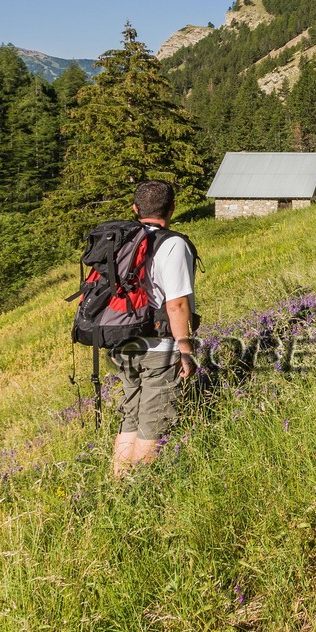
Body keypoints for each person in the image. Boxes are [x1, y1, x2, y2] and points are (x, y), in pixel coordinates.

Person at [110, 179, 199, 478]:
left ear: (135, 209)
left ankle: (117, 486)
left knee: (131, 419)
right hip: (157, 347)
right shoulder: (172, 244)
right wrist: (185, 350)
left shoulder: (121, 240)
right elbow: (176, 305)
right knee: (154, 425)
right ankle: (139, 493)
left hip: (121, 343)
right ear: (173, 207)